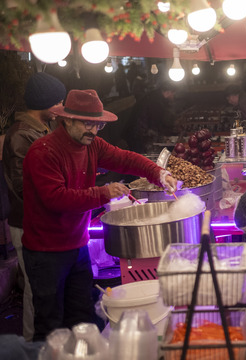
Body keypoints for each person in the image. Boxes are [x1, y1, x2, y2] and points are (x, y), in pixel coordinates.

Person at [21, 89, 178, 341]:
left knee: (82, 318)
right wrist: (103, 192)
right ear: (68, 119)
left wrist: (159, 174)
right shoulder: (43, 151)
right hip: (46, 252)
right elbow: (56, 199)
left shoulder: (92, 144)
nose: (93, 131)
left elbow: (125, 159)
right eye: (87, 123)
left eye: (98, 124)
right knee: (51, 323)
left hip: (78, 246)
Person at [2, 72, 67, 341]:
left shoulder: (41, 129)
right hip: (29, 224)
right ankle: (33, 346)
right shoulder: (21, 135)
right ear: (46, 103)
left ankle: (50, 342)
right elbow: (22, 187)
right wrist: (63, 196)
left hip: (45, 222)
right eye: (58, 102)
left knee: (47, 287)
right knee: (35, 287)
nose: (62, 107)